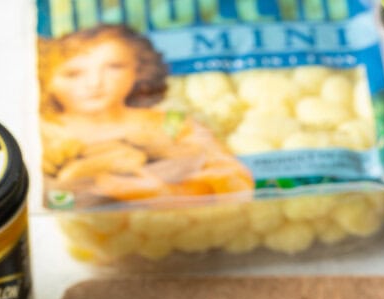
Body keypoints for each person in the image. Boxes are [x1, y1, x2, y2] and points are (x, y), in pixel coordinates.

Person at [37, 24, 253, 206]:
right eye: (73, 74)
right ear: (47, 79)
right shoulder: (43, 131)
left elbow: (234, 180)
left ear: (138, 70)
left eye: (114, 67)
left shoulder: (170, 122)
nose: (94, 83)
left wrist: (167, 194)